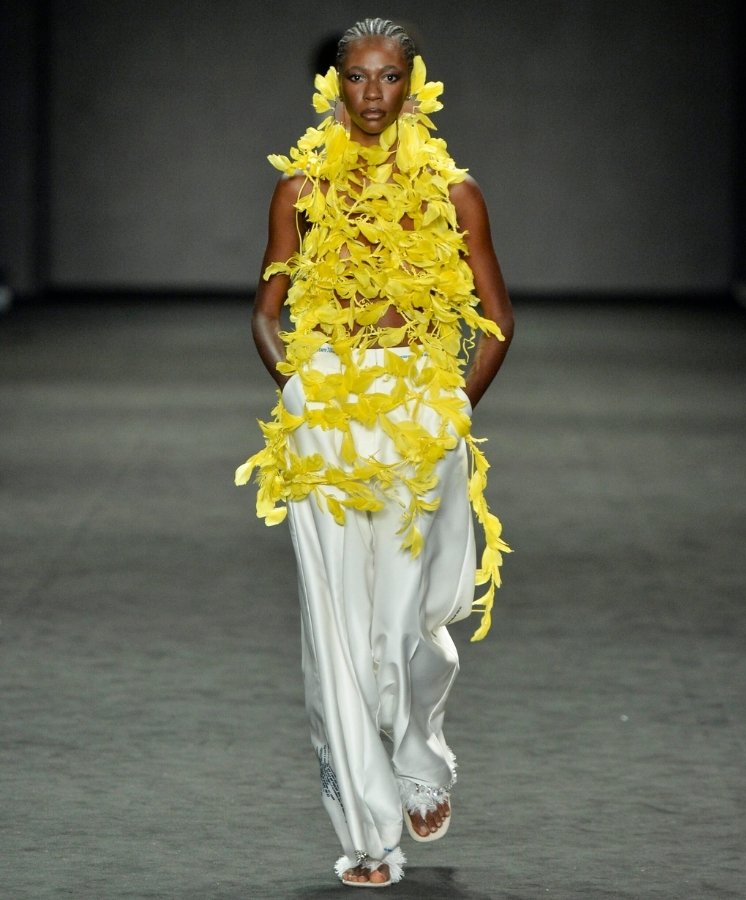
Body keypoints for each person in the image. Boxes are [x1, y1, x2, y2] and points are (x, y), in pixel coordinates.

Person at [236, 18, 513, 888]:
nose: (371, 95)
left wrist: (451, 409)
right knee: (335, 622)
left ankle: (423, 752)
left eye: (389, 77)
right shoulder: (299, 188)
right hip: (325, 408)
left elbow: (496, 320)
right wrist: (296, 389)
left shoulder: (455, 195)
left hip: (418, 405)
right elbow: (266, 309)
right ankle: (366, 829)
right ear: (333, 85)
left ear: (411, 83)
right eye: (355, 77)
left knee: (407, 618)